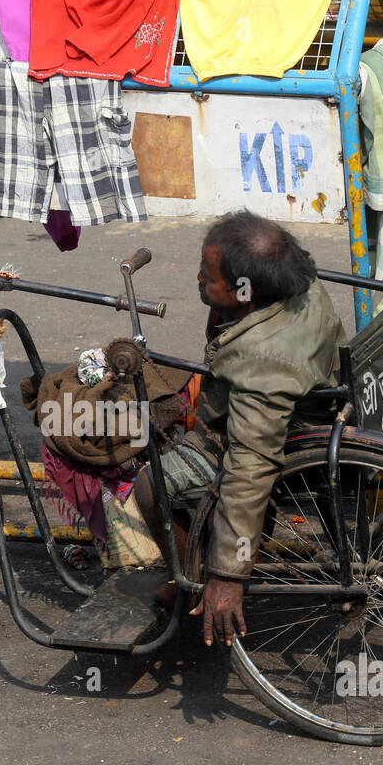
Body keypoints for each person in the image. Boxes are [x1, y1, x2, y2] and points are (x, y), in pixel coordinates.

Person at [133, 209, 347, 648]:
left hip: (280, 437)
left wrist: (226, 576)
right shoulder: (297, 284)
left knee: (151, 483)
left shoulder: (261, 361)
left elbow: (250, 467)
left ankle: (187, 579)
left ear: (245, 290)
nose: (198, 279)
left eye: (208, 277)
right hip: (311, 401)